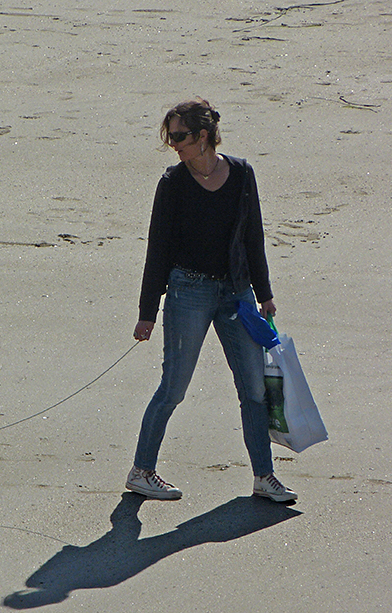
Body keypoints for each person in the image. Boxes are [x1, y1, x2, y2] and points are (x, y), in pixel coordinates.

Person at [127, 98, 297, 503]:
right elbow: (158, 250)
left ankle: (263, 476)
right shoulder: (172, 184)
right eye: (170, 138)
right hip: (189, 291)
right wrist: (147, 313)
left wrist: (265, 293)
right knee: (174, 387)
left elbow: (253, 236)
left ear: (203, 136)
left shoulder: (240, 174)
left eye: (180, 136)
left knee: (254, 389)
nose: (175, 145)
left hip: (237, 294)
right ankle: (141, 471)